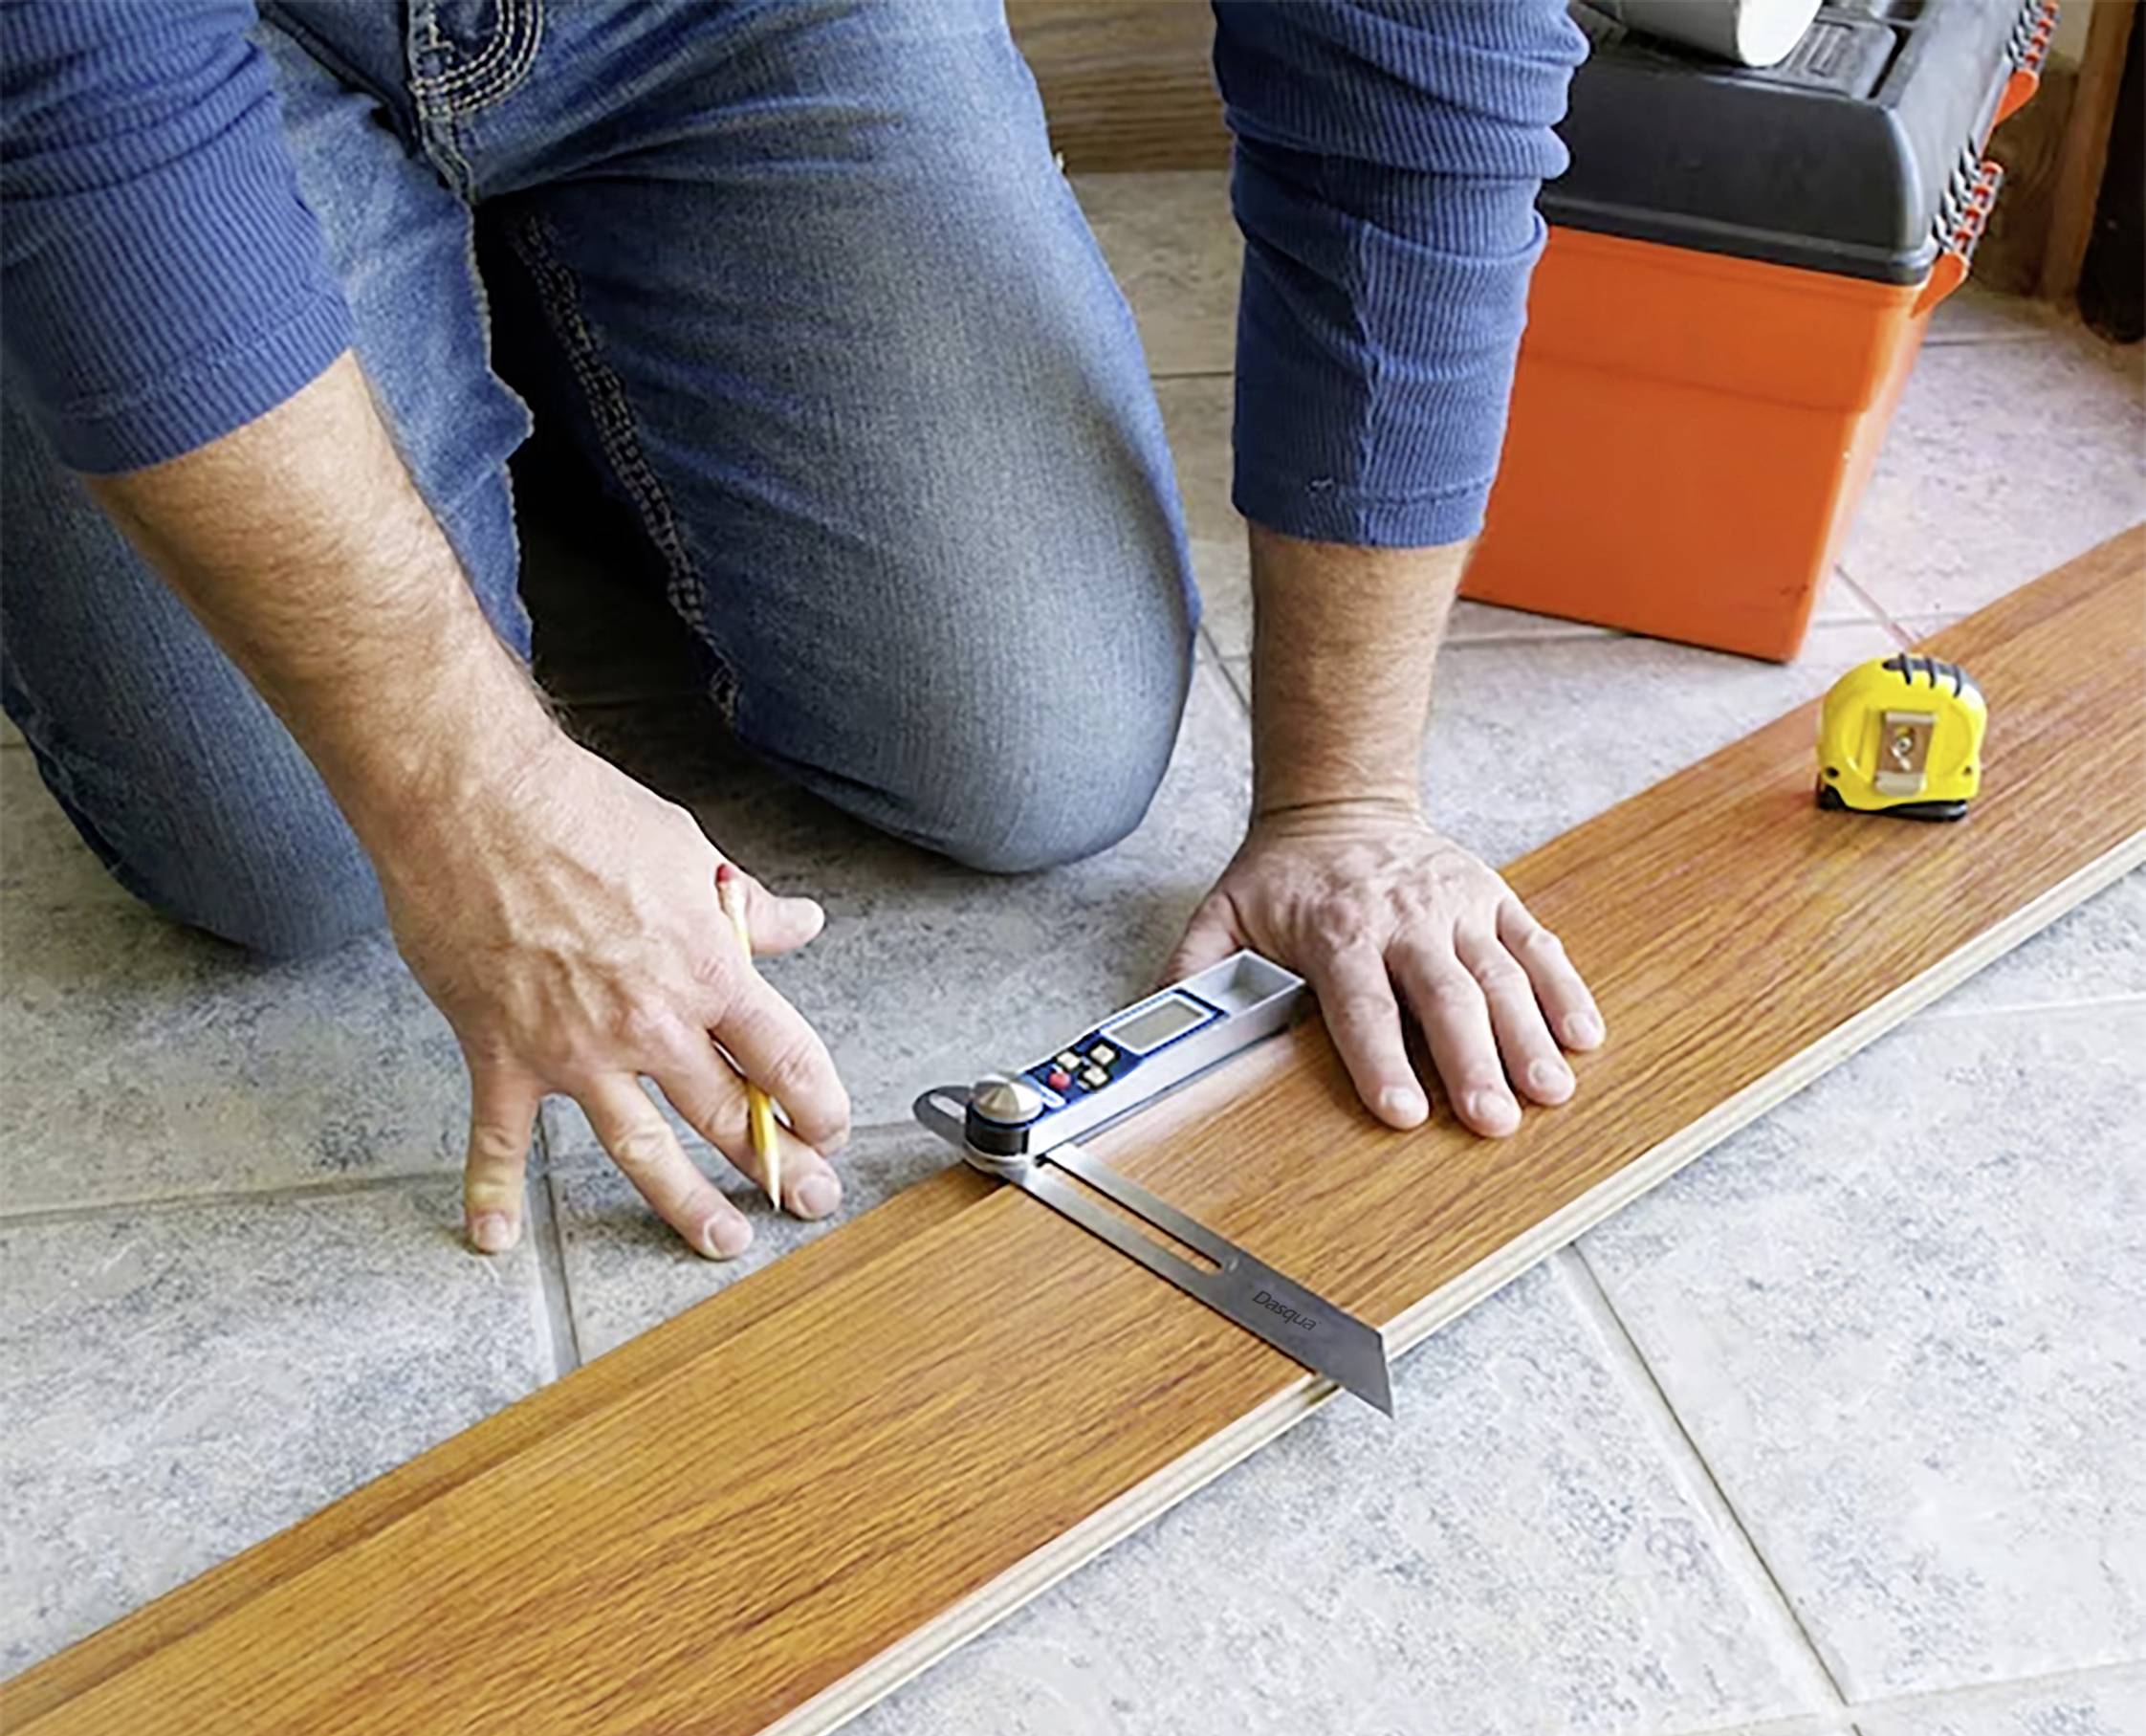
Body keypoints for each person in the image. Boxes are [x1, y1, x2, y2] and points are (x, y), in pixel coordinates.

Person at [1, 0, 1604, 1262]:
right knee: (301, 849)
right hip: (186, 49)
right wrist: (466, 787)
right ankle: (366, 373)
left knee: (1039, 744)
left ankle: (500, 351)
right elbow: (80, 113)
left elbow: (1417, 74)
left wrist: (1347, 800)